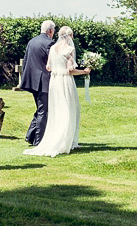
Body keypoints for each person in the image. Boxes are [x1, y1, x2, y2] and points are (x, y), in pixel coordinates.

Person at [23, 26, 89, 157]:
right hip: (65, 81)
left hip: (55, 81)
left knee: (57, 110)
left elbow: (48, 66)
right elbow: (70, 70)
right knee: (69, 109)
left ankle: (58, 139)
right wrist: (84, 71)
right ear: (70, 36)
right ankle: (67, 142)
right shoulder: (69, 49)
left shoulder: (53, 48)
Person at [17, 20, 55, 145]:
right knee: (44, 111)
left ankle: (30, 136)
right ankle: (38, 141)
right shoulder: (50, 43)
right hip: (43, 81)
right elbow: (52, 63)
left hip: (32, 80)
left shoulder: (31, 41)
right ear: (50, 30)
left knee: (40, 109)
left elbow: (27, 60)